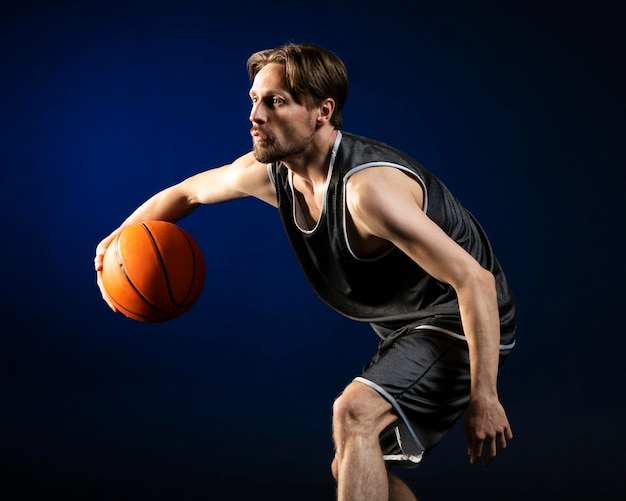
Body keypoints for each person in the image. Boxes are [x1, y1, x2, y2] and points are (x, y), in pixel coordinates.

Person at [94, 43, 517, 500]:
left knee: (354, 414)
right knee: (352, 461)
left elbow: (476, 280)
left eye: (275, 102)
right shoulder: (273, 171)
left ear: (322, 111)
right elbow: (188, 193)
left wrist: (485, 397)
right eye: (254, 100)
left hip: (462, 317)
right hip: (409, 323)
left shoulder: (365, 193)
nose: (256, 115)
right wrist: (118, 239)